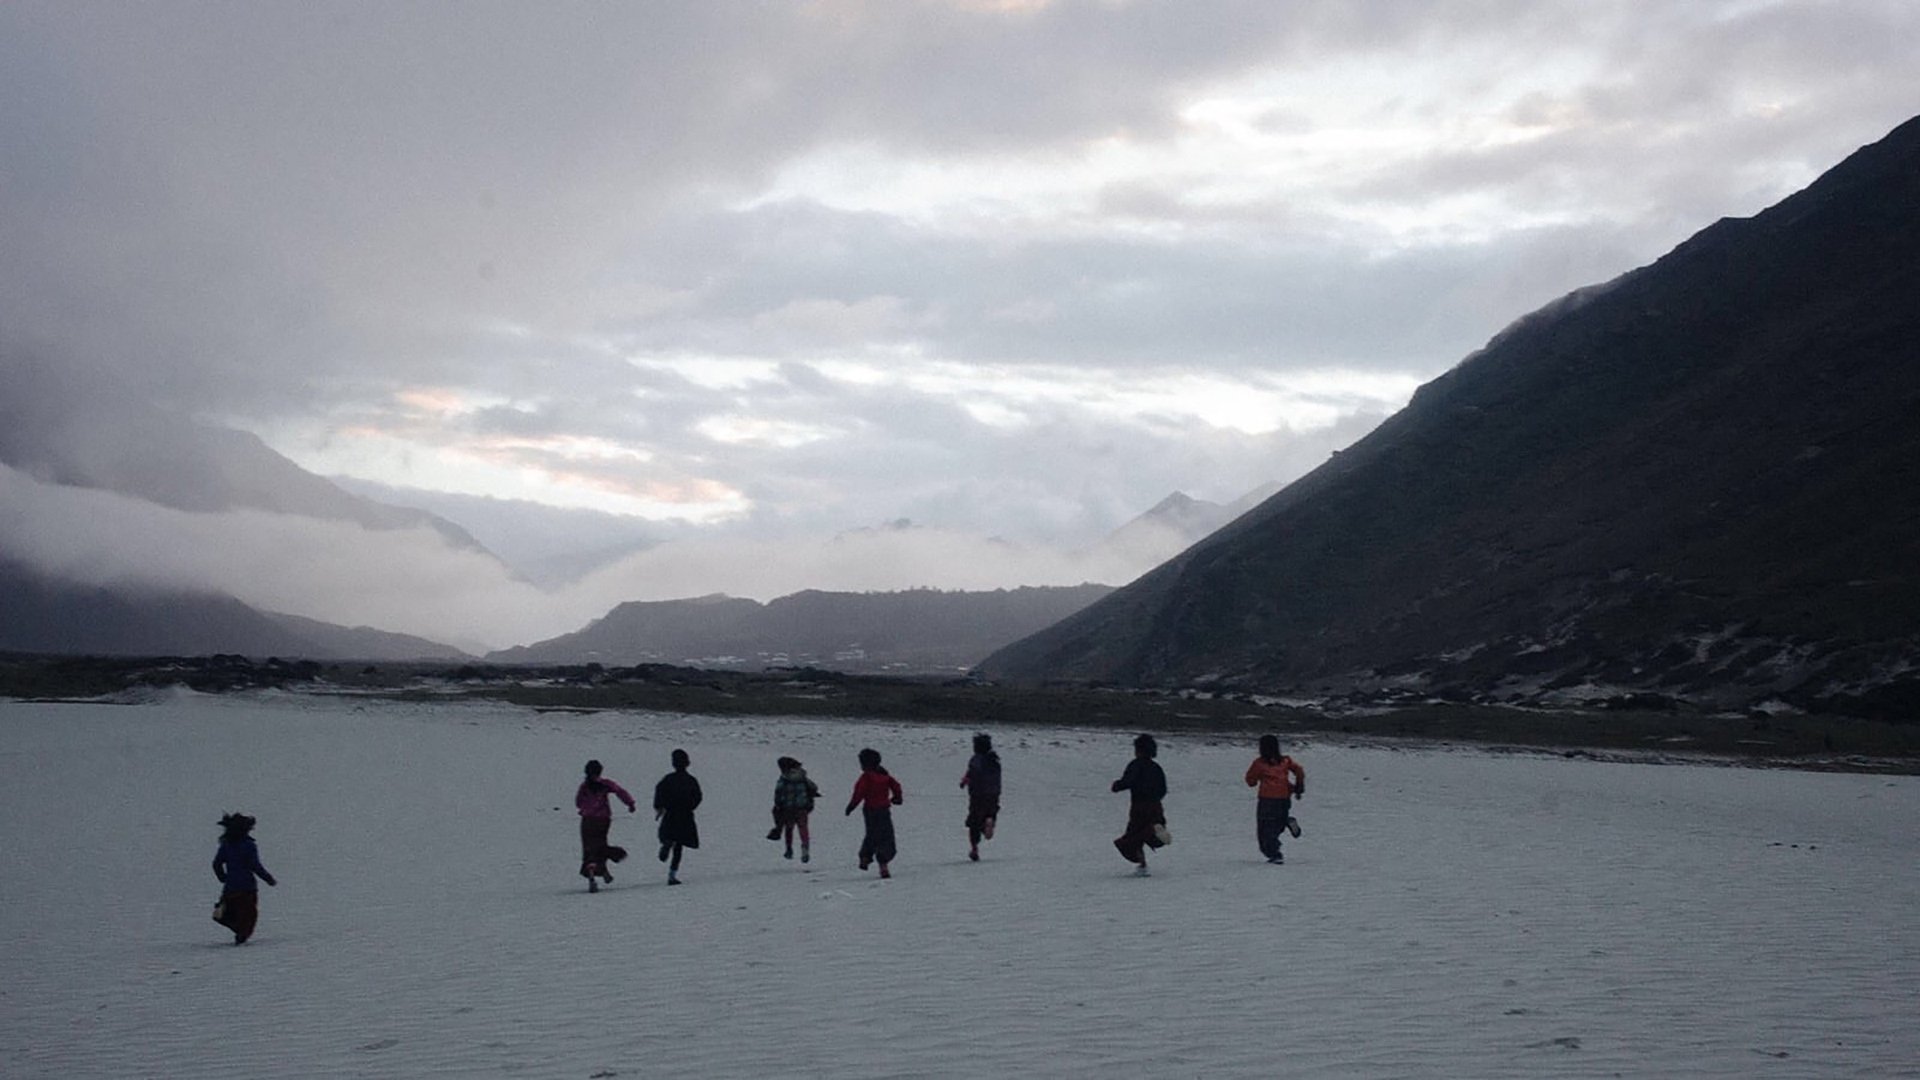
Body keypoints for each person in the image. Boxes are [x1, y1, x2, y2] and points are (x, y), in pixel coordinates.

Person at [211, 812, 278, 944]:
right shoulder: (249, 845)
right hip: (247, 887)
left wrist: (222, 877)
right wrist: (268, 878)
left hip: (230, 887)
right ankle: (241, 935)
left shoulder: (226, 845)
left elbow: (216, 863)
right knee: (248, 915)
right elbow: (255, 865)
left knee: (229, 913)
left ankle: (239, 932)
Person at [1111, 733, 1168, 876]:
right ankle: (1153, 832)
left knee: (1132, 837)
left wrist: (1117, 786)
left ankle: (1143, 863)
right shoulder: (1156, 767)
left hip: (1139, 806)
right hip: (1155, 805)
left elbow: (1129, 781)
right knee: (1141, 836)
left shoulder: (1135, 765)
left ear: (1138, 750)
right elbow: (1163, 789)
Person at [576, 759, 637, 893]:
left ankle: (593, 870)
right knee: (600, 846)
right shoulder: (605, 784)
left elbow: (578, 802)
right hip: (603, 820)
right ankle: (608, 865)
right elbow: (620, 791)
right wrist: (630, 803)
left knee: (589, 848)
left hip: (587, 820)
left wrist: (586, 808)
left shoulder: (584, 786)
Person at [1244, 734, 1306, 864]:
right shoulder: (1285, 761)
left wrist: (1255, 780)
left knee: (1264, 830)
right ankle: (1286, 822)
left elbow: (1250, 781)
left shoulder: (1260, 763)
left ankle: (1274, 853)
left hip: (1267, 800)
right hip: (1284, 798)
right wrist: (1298, 787)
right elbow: (1299, 770)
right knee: (1276, 825)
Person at [845, 747, 904, 878]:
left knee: (871, 834)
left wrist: (851, 806)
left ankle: (865, 857)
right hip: (884, 811)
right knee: (886, 837)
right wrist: (897, 798)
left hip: (870, 811)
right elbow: (897, 787)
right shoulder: (886, 776)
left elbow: (859, 793)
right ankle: (883, 865)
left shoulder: (866, 778)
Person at [654, 748, 703, 885]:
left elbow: (659, 792)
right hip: (685, 815)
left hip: (670, 813)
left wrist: (660, 807)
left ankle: (666, 844)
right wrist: (690, 806)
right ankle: (672, 875)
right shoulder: (691, 780)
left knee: (665, 835)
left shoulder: (667, 779)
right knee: (679, 847)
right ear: (687, 763)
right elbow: (698, 796)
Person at [766, 756, 821, 862]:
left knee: (789, 829)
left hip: (788, 808)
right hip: (802, 808)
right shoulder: (803, 777)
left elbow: (778, 792)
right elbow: (813, 787)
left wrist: (778, 805)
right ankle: (805, 849)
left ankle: (789, 849)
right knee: (803, 829)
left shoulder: (784, 778)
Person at [960, 733, 1002, 862]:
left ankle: (974, 848)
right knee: (990, 812)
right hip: (993, 795)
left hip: (977, 796)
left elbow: (972, 772)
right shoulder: (994, 760)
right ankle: (989, 821)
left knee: (974, 823)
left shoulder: (975, 759)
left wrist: (965, 781)